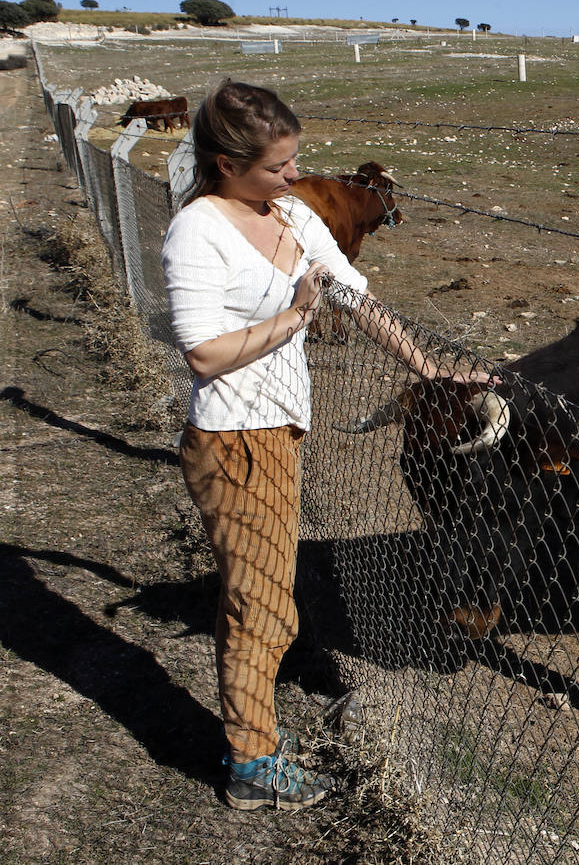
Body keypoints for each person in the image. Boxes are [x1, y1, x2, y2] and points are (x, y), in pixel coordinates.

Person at [162, 79, 491, 812]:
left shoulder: (294, 215)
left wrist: (433, 371)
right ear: (223, 163)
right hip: (230, 439)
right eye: (278, 166)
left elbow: (356, 300)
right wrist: (294, 317)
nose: (293, 177)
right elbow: (205, 355)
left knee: (256, 598)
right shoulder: (199, 231)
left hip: (278, 431)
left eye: (296, 160)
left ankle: (253, 740)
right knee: (264, 608)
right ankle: (252, 763)